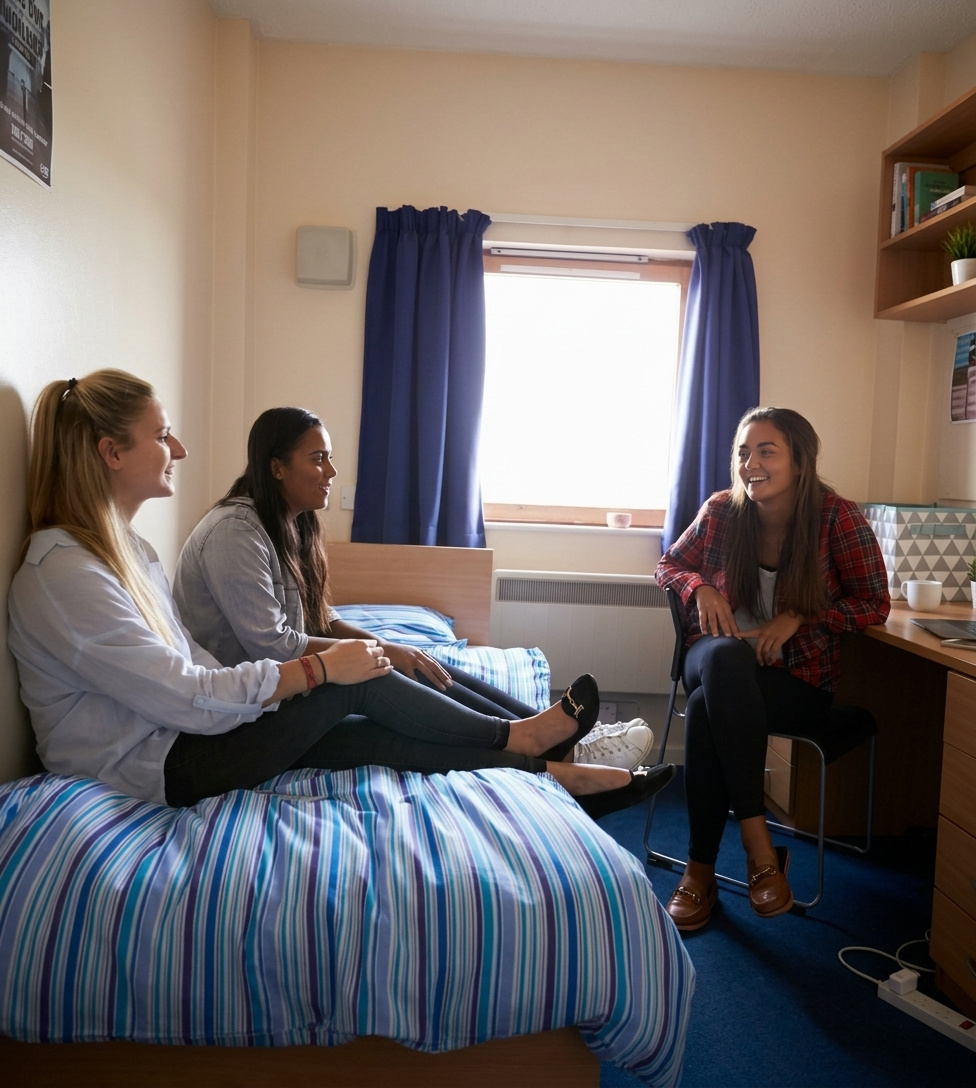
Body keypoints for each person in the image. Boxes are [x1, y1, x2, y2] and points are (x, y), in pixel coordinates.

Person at [7, 370, 675, 818]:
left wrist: (341, 663)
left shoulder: (129, 553)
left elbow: (198, 668)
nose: (178, 448)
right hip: (159, 766)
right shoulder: (65, 576)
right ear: (111, 452)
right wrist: (323, 671)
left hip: (198, 730)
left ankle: (554, 772)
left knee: (365, 732)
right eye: (161, 435)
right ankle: (526, 738)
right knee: (353, 684)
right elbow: (194, 688)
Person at [173, 406, 655, 770]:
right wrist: (372, 653)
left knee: (418, 661)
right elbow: (274, 646)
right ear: (276, 466)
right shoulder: (236, 532)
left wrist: (392, 647)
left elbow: (320, 621)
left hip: (290, 691)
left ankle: (556, 734)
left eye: (330, 458)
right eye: (317, 459)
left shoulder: (291, 525)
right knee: (377, 670)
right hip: (252, 709)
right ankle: (535, 738)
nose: (332, 472)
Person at [654, 406, 889, 931]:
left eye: (766, 451)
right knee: (725, 657)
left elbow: (875, 604)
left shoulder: (837, 518)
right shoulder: (721, 510)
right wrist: (700, 586)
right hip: (712, 657)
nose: (750, 464)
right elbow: (668, 564)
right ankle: (759, 847)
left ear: (799, 461)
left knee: (705, 709)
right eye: (743, 453)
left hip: (797, 680)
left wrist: (803, 614)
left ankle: (699, 871)